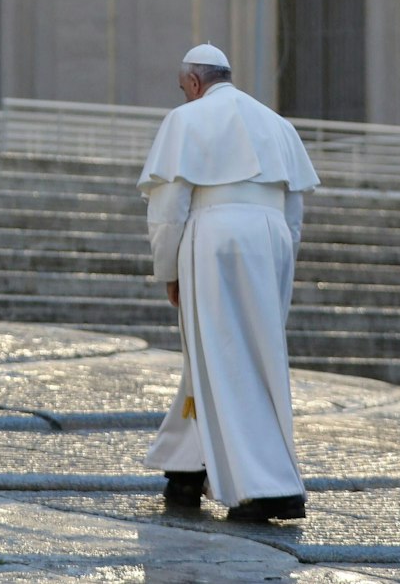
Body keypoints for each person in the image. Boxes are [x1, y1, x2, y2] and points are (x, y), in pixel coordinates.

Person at [138, 43, 319, 522]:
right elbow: (295, 211)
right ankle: (186, 465)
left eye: (183, 90)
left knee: (220, 352)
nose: (184, 98)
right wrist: (282, 268)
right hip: (273, 237)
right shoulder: (278, 125)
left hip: (214, 236)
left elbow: (169, 208)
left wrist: (169, 270)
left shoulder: (187, 119)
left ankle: (266, 485)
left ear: (194, 83)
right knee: (240, 353)